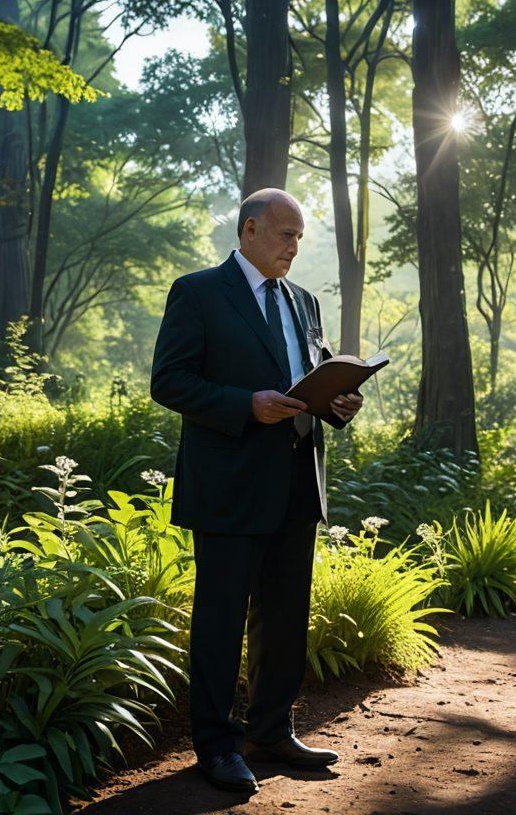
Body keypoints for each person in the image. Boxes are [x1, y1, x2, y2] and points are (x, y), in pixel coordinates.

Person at [150, 188, 364, 795]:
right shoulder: (196, 292)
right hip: (228, 486)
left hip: (299, 481)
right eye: (284, 235)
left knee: (285, 616)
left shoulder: (305, 301)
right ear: (248, 231)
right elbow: (168, 382)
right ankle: (215, 748)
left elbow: (311, 377)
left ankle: (271, 731)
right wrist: (247, 404)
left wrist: (340, 402)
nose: (294, 248)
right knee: (220, 620)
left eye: (300, 238)